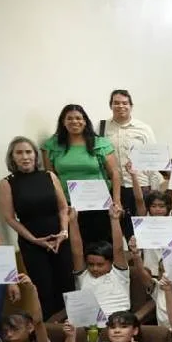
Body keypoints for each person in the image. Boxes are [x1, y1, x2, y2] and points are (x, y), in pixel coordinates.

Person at [0, 137, 75, 318]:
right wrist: (33, 240)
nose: (25, 157)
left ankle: (74, 332)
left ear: (35, 155)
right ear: (12, 157)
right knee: (43, 290)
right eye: (19, 153)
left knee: (68, 286)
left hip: (60, 239)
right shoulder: (8, 182)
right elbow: (9, 218)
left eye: (28, 152)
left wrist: (63, 232)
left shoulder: (49, 176)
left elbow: (63, 208)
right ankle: (50, 334)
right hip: (32, 243)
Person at [41, 104, 121, 246]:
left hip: (99, 204)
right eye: (69, 118)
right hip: (69, 206)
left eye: (78, 118)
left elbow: (114, 173)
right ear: (63, 122)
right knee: (75, 247)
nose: (74, 121)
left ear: (85, 121)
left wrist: (117, 200)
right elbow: (50, 178)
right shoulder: (52, 146)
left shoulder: (100, 143)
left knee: (101, 246)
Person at [102, 89, 159, 215]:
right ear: (110, 105)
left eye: (124, 103)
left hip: (141, 185)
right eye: (116, 103)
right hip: (114, 187)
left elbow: (153, 161)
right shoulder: (101, 128)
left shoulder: (144, 129)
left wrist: (155, 191)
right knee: (118, 224)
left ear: (131, 106)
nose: (120, 106)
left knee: (141, 225)